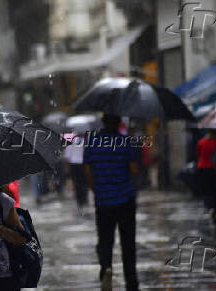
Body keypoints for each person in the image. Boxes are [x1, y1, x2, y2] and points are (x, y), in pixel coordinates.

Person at [83, 114, 139, 291]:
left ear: (103, 122)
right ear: (118, 124)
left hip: (103, 200)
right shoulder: (125, 142)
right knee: (127, 243)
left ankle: (106, 268)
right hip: (125, 199)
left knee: (105, 240)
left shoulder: (92, 141)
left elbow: (87, 170)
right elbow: (134, 169)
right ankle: (131, 282)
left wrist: (96, 188)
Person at [196, 128, 216, 223]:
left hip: (202, 168)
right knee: (215, 190)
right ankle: (214, 208)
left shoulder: (201, 142)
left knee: (206, 190)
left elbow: (198, 154)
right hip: (214, 169)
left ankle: (209, 207)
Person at [63, 133, 88, 215]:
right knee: (84, 182)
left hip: (74, 165)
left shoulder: (71, 142)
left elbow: (67, 157)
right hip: (83, 164)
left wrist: (67, 170)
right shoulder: (85, 141)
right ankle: (84, 199)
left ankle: (79, 201)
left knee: (77, 183)